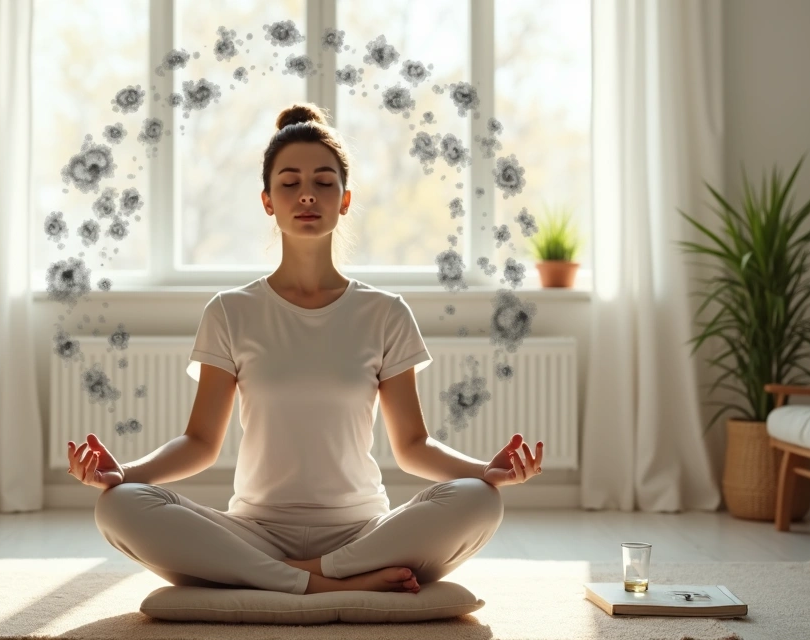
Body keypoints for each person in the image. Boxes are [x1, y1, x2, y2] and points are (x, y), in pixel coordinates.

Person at [69, 102, 543, 597]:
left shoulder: (384, 312)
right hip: (255, 532)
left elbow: (412, 447)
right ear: (268, 201)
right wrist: (123, 473)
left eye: (323, 182)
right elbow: (201, 443)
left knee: (480, 501)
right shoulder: (231, 311)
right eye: (289, 183)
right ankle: (324, 582)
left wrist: (483, 471)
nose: (307, 196)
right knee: (118, 506)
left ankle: (299, 574)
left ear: (345, 198)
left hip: (361, 532)